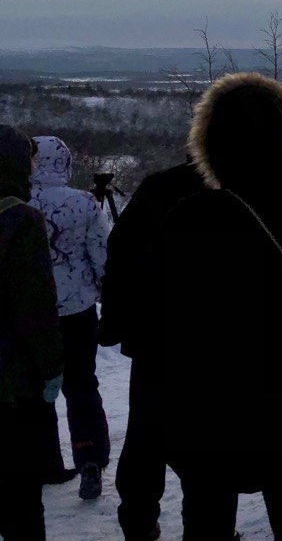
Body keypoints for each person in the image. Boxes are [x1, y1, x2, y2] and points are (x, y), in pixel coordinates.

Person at [161, 72, 282, 540]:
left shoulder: (189, 218)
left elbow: (164, 326)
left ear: (211, 145)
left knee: (205, 526)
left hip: (206, 412)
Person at [98, 158, 205, 541]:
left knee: (147, 431)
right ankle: (207, 526)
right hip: (215, 342)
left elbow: (120, 249)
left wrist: (115, 321)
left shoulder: (160, 186)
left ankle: (138, 519)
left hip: (155, 337)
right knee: (207, 442)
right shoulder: (245, 190)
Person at [29, 135, 110, 501]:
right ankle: (89, 460)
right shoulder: (85, 204)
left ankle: (42, 460)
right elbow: (102, 258)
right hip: (77, 311)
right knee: (80, 385)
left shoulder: (15, 204)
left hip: (29, 315)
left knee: (33, 389)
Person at [0, 125, 65, 541]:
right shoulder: (21, 220)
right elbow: (35, 306)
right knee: (22, 498)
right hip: (13, 381)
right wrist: (50, 368)